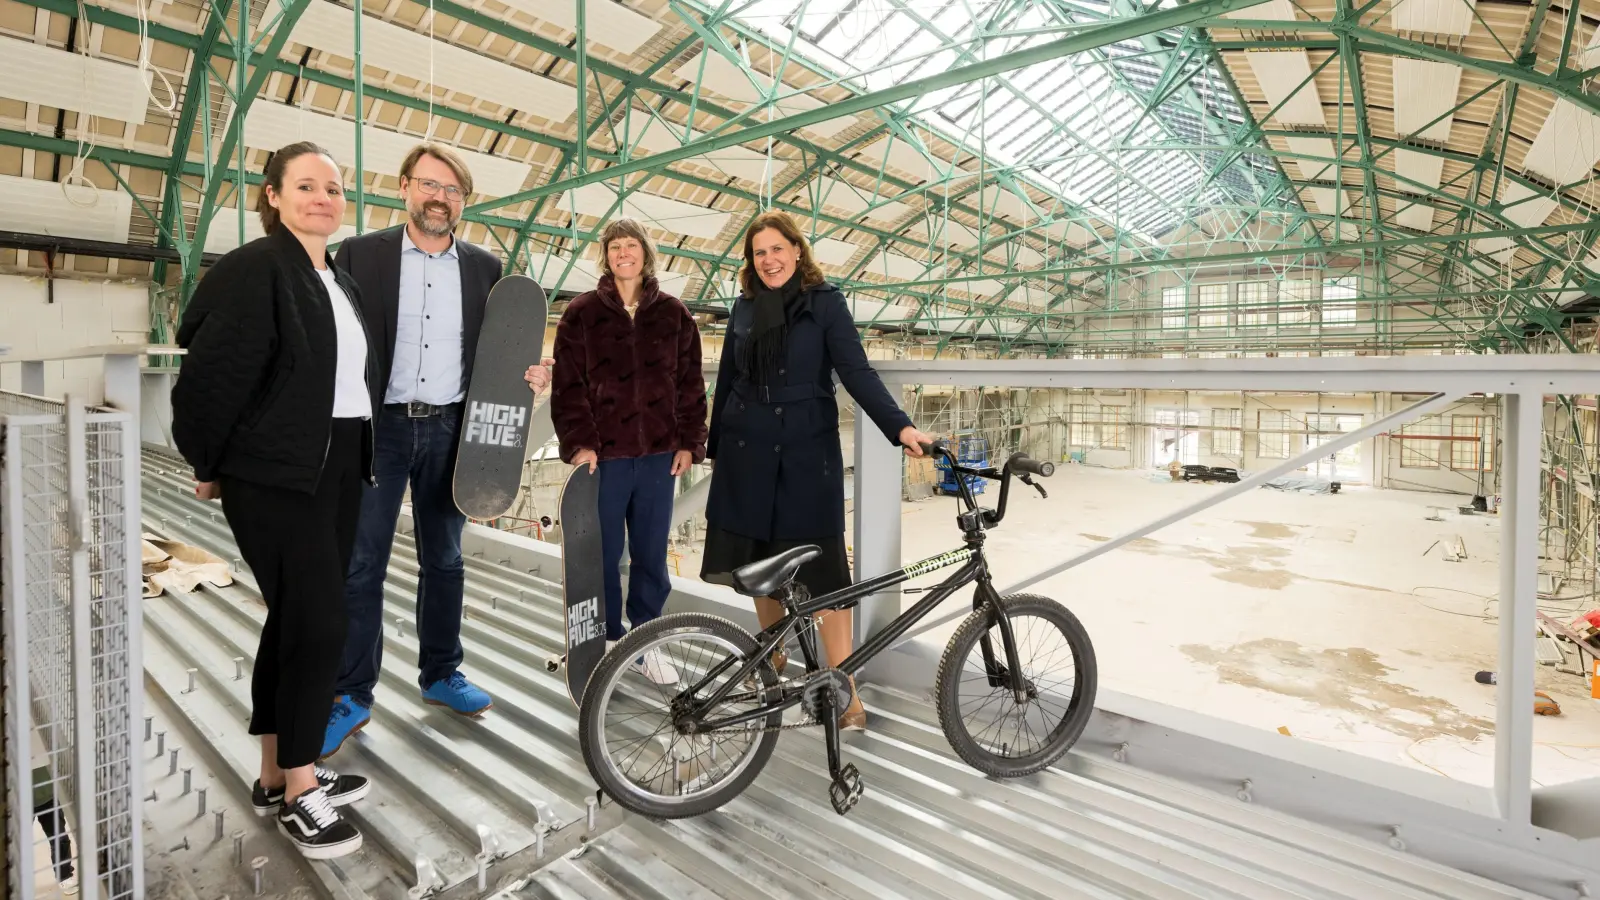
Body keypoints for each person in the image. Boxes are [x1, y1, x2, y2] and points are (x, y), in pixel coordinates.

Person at [171, 141, 374, 859]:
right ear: (274, 195)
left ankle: (273, 774)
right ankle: (300, 790)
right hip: (278, 473)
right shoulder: (257, 268)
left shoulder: (336, 278)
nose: (323, 197)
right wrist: (209, 459)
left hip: (338, 462)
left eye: (334, 187)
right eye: (307, 185)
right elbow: (211, 375)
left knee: (296, 618)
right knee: (320, 622)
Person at [321, 142, 553, 758]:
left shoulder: (485, 268)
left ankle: (442, 674)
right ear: (404, 187)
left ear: (463, 202)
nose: (439, 198)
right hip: (382, 427)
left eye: (452, 190)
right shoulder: (360, 254)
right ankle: (351, 693)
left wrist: (528, 377)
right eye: (429, 184)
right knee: (362, 563)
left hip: (453, 428)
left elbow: (501, 352)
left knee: (445, 559)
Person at [701, 210, 933, 731]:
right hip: (746, 451)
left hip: (806, 455)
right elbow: (729, 377)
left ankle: (842, 684)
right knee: (757, 561)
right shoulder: (743, 308)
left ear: (796, 250)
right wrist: (713, 446)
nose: (769, 260)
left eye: (777, 249)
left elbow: (855, 370)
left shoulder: (825, 302)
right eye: (759, 253)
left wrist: (900, 427)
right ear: (751, 261)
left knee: (825, 572)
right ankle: (773, 656)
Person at [550, 217, 708, 683]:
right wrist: (580, 444)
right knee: (601, 554)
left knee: (651, 554)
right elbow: (568, 386)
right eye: (615, 246)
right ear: (606, 256)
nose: (624, 253)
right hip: (604, 459)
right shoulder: (581, 313)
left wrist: (690, 442)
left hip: (659, 456)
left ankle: (645, 642)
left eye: (631, 245)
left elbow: (690, 383)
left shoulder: (674, 314)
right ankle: (605, 640)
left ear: (645, 253)